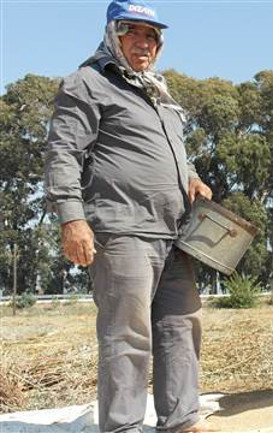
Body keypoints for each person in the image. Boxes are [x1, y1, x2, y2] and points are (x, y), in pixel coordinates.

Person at [44, 1, 216, 431]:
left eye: (152, 35)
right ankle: (122, 427)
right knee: (126, 337)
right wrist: (71, 218)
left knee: (181, 329)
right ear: (112, 35)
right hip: (123, 231)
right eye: (133, 32)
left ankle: (181, 422)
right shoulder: (88, 83)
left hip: (175, 234)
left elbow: (167, 154)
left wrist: (191, 178)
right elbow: (63, 152)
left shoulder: (158, 91)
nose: (144, 43)